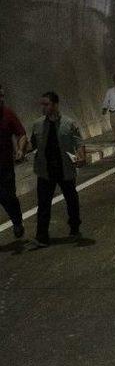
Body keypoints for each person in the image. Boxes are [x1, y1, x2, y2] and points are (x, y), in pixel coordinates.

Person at [30, 92, 84, 247]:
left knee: (71, 200)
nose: (44, 108)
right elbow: (32, 144)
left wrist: (81, 156)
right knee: (43, 204)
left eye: (46, 104)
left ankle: (74, 227)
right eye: (43, 104)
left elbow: (79, 143)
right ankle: (42, 236)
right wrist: (21, 149)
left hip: (65, 169)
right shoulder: (38, 124)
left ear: (55, 105)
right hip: (45, 170)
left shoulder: (69, 123)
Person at [0, 84, 28, 238]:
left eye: (2, 96)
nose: (1, 99)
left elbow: (21, 133)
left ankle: (17, 221)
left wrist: (19, 149)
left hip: (5, 165)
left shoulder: (7, 114)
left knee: (8, 196)